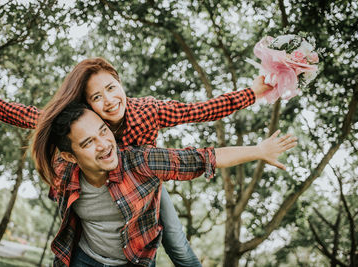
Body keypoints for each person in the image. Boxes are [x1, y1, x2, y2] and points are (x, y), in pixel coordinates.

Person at [0, 57, 274, 266]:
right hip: (100, 188)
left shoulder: (148, 111)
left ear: (120, 83)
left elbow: (200, 110)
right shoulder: (83, 123)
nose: (108, 100)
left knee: (177, 245)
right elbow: (35, 118)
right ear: (87, 104)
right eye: (96, 97)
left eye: (111, 87)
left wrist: (252, 93)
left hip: (145, 182)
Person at [36, 102, 296, 267]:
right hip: (83, 259)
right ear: (70, 156)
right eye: (88, 142)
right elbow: (34, 120)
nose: (104, 144)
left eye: (103, 131)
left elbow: (201, 159)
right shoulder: (63, 172)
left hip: (133, 261)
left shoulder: (140, 162)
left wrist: (258, 149)